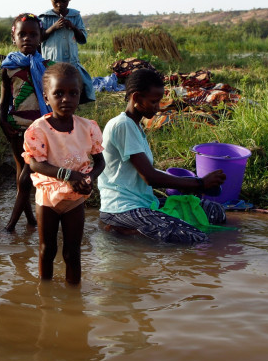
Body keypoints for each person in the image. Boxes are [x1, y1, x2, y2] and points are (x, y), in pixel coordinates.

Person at [97, 68, 227, 243]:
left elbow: (145, 172)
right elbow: (150, 178)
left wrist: (191, 185)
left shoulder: (135, 126)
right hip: (122, 208)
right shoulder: (122, 125)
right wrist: (199, 184)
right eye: (153, 101)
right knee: (193, 237)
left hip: (143, 202)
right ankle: (122, 229)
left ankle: (134, 229)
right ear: (136, 98)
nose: (158, 108)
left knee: (215, 212)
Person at [22, 63, 105, 284]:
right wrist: (69, 175)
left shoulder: (87, 128)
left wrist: (89, 178)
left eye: (73, 93)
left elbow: (100, 162)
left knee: (72, 253)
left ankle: (73, 298)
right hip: (47, 200)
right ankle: (45, 295)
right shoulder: (38, 130)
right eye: (58, 93)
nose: (66, 99)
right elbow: (35, 164)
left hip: (75, 200)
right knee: (47, 250)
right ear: (46, 97)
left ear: (80, 95)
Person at [0, 13, 54, 231]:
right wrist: (3, 121)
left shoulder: (49, 66)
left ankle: (10, 225)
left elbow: (55, 99)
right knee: (21, 171)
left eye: (33, 34)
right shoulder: (9, 67)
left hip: (40, 129)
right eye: (22, 34)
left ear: (41, 37)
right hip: (16, 126)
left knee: (27, 175)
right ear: (14, 38)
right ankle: (30, 219)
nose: (27, 39)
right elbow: (5, 100)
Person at [39, 0, 96, 104]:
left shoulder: (75, 16)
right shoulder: (44, 17)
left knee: (74, 85)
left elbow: (82, 39)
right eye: (56, 1)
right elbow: (39, 38)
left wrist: (73, 27)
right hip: (51, 62)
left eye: (63, 1)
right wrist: (53, 28)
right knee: (52, 87)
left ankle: (72, 106)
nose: (60, 4)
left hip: (71, 62)